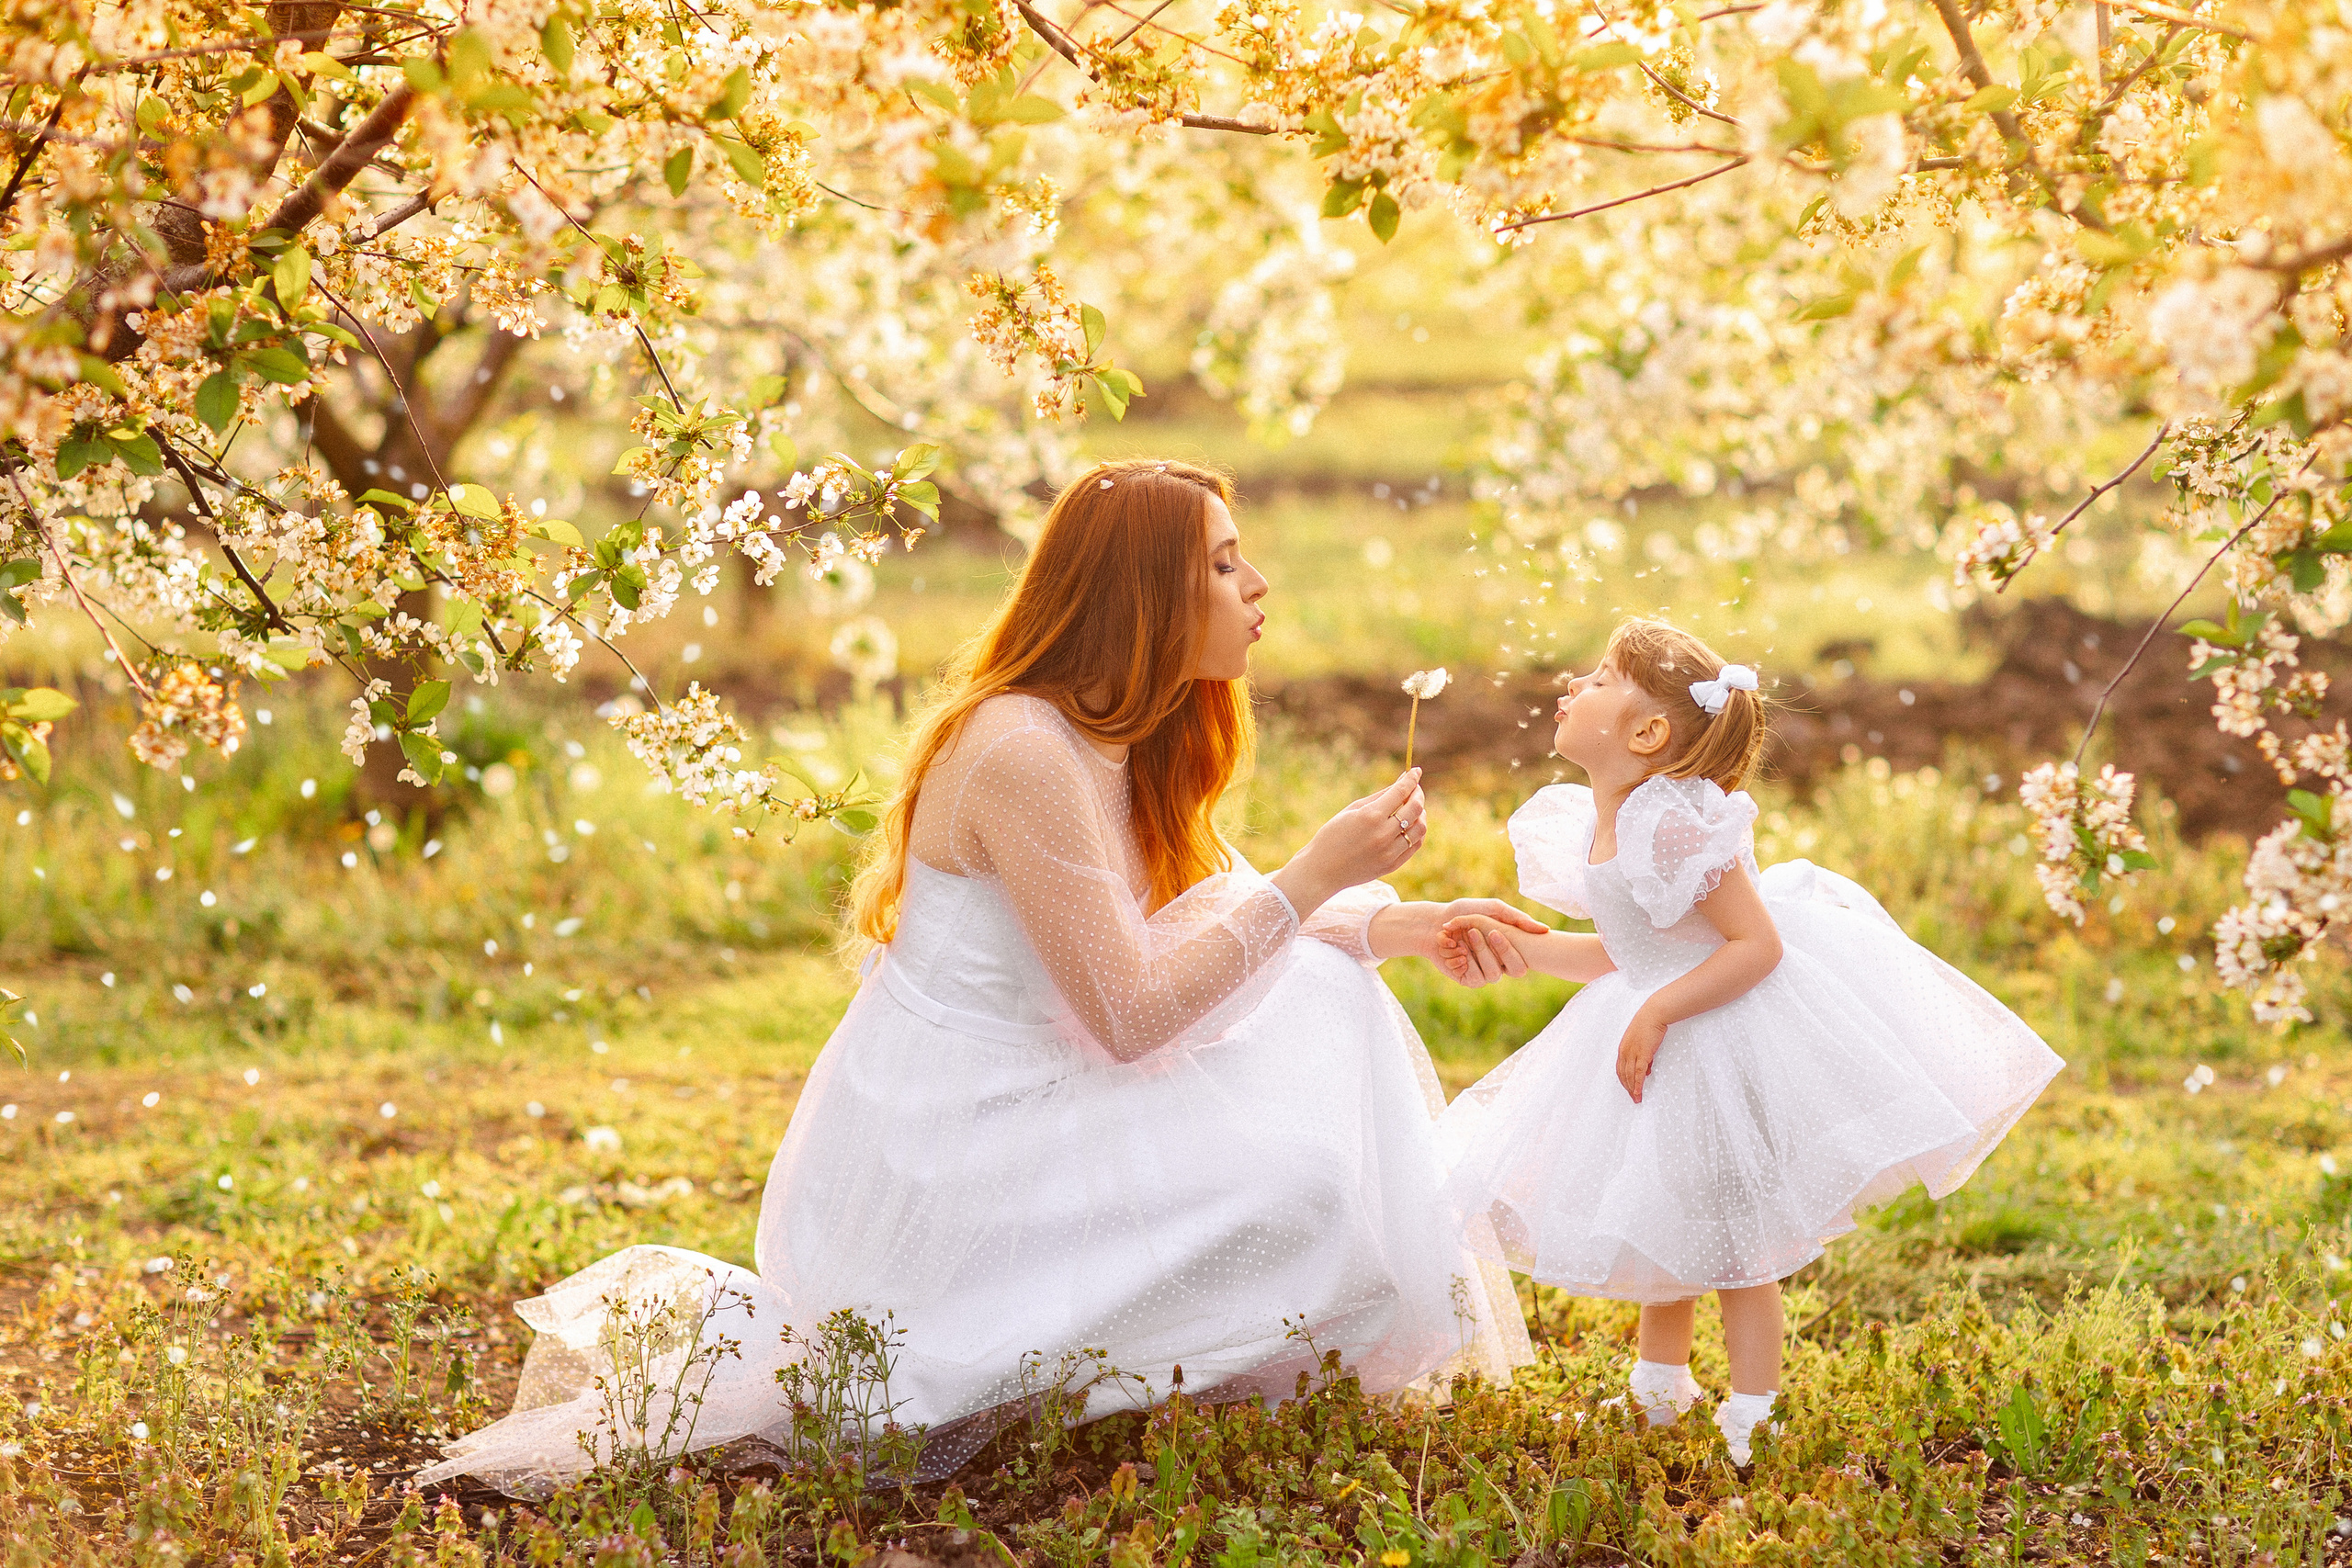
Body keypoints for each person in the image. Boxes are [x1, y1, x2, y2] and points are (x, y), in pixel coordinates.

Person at [419, 459, 1536, 1497]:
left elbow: (1200, 912)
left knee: (1329, 1008)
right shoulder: (1023, 752)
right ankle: (1135, 1374)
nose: (1258, 585)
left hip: (1049, 1084)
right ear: (1142, 595)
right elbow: (1137, 1014)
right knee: (1299, 1169)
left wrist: (1402, 921)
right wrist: (1311, 878)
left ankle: (1179, 1372)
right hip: (952, 1154)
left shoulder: (1119, 732)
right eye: (1223, 562)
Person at [1432, 618, 2062, 1465]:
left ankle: (1755, 1409)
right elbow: (1630, 953)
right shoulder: (1600, 822)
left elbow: (1753, 946)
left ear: (1647, 732)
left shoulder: (1678, 823)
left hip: (1715, 1041)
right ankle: (1659, 1386)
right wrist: (1523, 951)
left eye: (1596, 680)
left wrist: (1656, 1013)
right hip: (1659, 1037)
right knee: (1666, 1215)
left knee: (1733, 1238)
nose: (1569, 687)